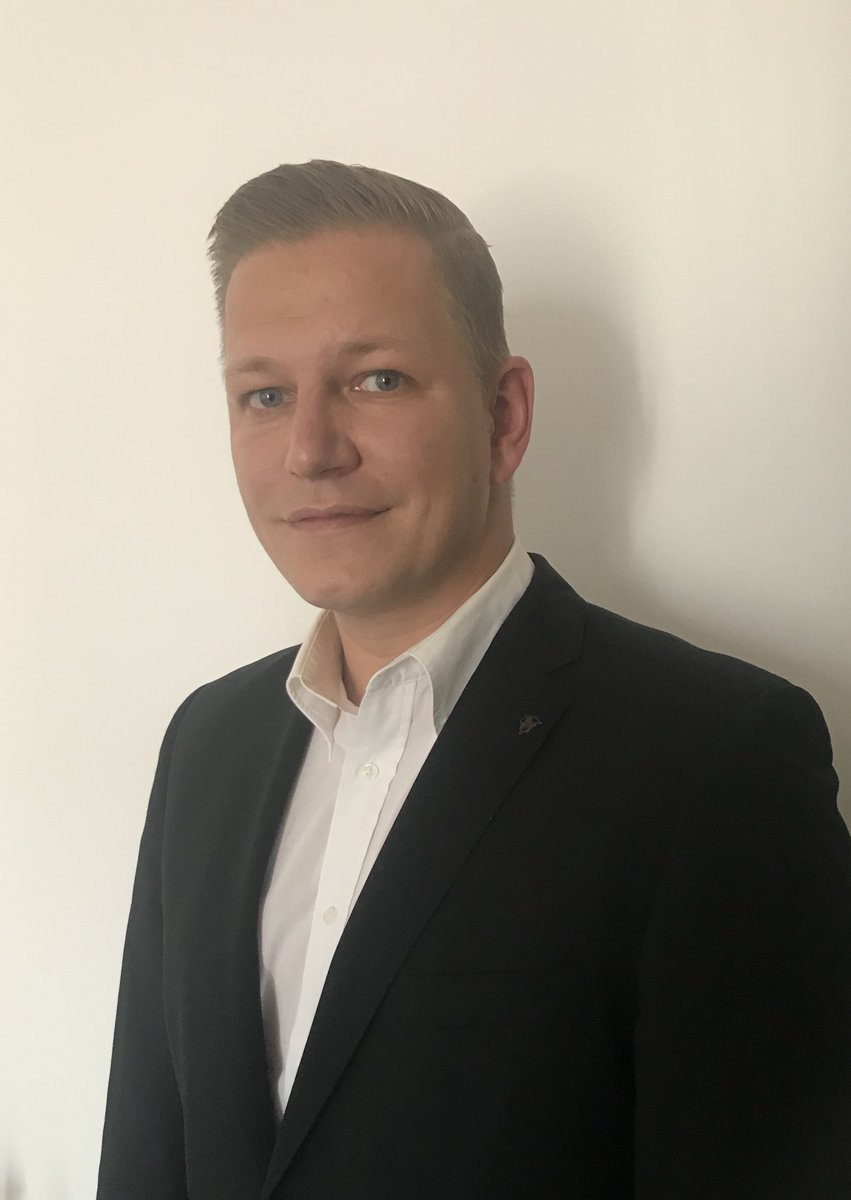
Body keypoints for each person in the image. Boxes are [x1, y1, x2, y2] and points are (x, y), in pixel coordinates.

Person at [97, 160, 851, 1200]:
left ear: (503, 417)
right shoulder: (207, 742)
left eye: (375, 380)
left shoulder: (716, 757)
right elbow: (149, 1150)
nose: (309, 450)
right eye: (264, 395)